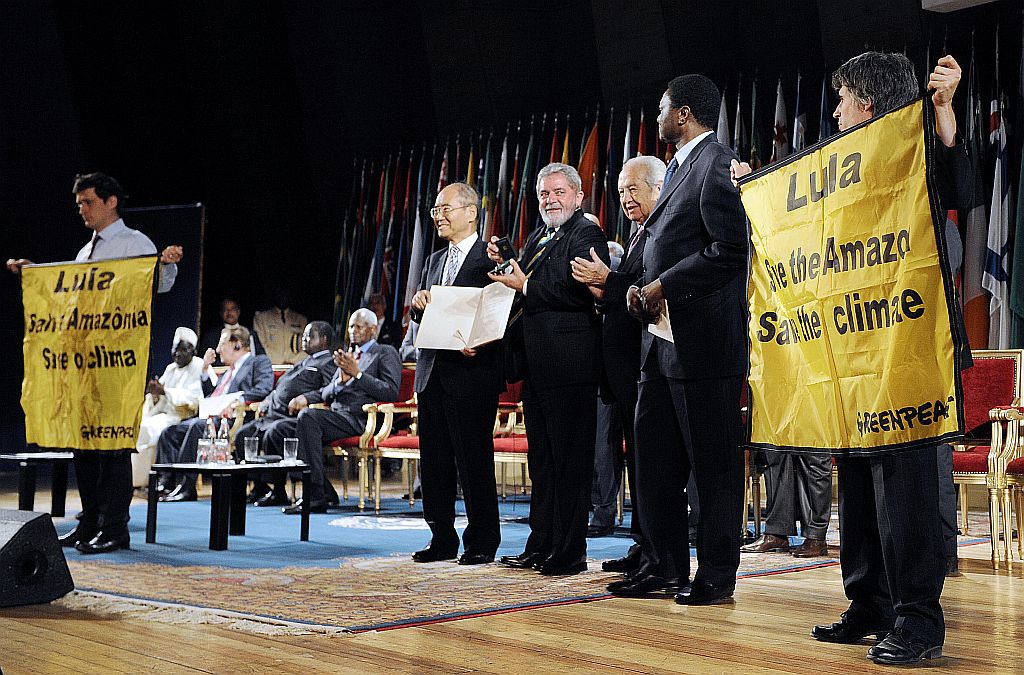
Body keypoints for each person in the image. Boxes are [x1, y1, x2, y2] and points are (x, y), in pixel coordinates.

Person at [732, 52, 968, 667]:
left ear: (871, 101)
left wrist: (942, 114)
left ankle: (919, 620)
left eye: (842, 99)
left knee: (909, 497)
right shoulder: (832, 169)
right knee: (860, 488)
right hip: (847, 352)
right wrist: (754, 190)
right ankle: (869, 602)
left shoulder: (912, 149)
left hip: (909, 353)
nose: (834, 111)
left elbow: (961, 187)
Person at [617, 75, 749, 602]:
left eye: (662, 109)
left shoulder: (715, 164)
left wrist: (662, 284)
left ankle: (715, 576)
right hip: (659, 345)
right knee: (656, 465)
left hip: (705, 348)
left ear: (685, 114)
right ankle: (664, 565)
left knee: (714, 471)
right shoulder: (676, 168)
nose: (656, 117)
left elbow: (729, 251)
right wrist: (637, 288)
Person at [7, 172, 184, 554]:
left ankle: (115, 527)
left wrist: (165, 265)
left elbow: (158, 285)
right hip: (85, 364)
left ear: (110, 202)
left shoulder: (134, 243)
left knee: (114, 448)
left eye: (87, 202)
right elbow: (72, 301)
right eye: (79, 204)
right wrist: (37, 275)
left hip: (118, 364)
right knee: (83, 446)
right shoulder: (86, 252)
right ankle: (89, 523)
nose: (82, 210)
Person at [487, 162, 609, 576]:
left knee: (570, 463)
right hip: (537, 367)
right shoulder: (539, 235)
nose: (550, 200)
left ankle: (569, 552)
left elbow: (579, 293)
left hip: (570, 365)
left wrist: (524, 284)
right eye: (543, 193)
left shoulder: (586, 232)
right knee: (542, 463)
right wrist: (507, 262)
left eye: (558, 192)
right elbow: (526, 281)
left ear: (577, 196)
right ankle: (540, 544)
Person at [571, 156, 665, 567]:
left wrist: (607, 280)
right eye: (622, 190)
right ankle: (641, 546)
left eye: (634, 189)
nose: (625, 198)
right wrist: (604, 288)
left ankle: (654, 553)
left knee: (651, 467)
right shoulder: (639, 232)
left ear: (658, 189)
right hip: (626, 374)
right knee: (636, 463)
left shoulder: (661, 231)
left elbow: (645, 286)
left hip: (650, 368)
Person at [409, 183, 504, 565]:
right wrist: (418, 305)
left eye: (446, 208)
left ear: (471, 212)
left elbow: (502, 310)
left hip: (472, 373)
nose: (439, 216)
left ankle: (482, 540)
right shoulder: (433, 260)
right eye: (435, 210)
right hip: (432, 372)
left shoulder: (491, 258)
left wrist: (480, 339)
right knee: (434, 462)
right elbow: (425, 310)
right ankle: (441, 537)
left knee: (473, 460)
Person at [288, 308, 401, 513]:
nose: (353, 331)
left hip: (364, 419)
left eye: (358, 326)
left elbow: (390, 392)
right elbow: (326, 392)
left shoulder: (385, 353)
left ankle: (315, 495)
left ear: (373, 329)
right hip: (339, 416)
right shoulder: (347, 355)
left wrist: (358, 375)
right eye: (350, 326)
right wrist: (339, 383)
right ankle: (322, 492)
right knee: (294, 424)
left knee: (308, 418)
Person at [155, 325, 273, 501]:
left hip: (233, 418)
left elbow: (264, 388)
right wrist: (204, 372)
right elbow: (212, 394)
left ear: (237, 345)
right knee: (170, 432)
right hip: (212, 416)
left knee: (196, 427)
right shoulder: (228, 372)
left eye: (222, 344)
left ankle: (187, 487)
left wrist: (237, 401)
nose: (218, 350)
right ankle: (167, 484)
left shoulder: (258, 362)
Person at [236, 321, 336, 507]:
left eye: (309, 336)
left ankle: (279, 490)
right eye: (304, 336)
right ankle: (259, 486)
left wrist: (307, 397)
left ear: (323, 340)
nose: (304, 340)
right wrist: (268, 399)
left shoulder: (328, 362)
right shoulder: (304, 361)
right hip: (274, 413)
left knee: (275, 431)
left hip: (296, 417)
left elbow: (330, 390)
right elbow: (280, 388)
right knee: (244, 434)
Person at [134, 327, 205, 488]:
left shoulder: (198, 366)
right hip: (167, 414)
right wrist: (155, 395)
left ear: (193, 351)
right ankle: (141, 479)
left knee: (158, 430)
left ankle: (164, 479)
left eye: (183, 350)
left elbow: (194, 399)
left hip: (184, 416)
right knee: (143, 426)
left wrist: (165, 391)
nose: (178, 354)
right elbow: (161, 398)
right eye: (175, 349)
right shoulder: (171, 368)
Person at [199, 298, 264, 365]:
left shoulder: (251, 333)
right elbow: (203, 359)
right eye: (225, 309)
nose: (229, 312)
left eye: (232, 309)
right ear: (221, 313)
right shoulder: (211, 336)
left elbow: (260, 355)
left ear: (238, 312)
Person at [253, 288, 308, 365]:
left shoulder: (301, 319)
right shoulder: (261, 318)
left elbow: (306, 346)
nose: (283, 297)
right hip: (271, 365)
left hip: (295, 366)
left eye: (285, 294)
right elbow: (261, 345)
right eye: (280, 294)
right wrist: (281, 361)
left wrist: (293, 361)